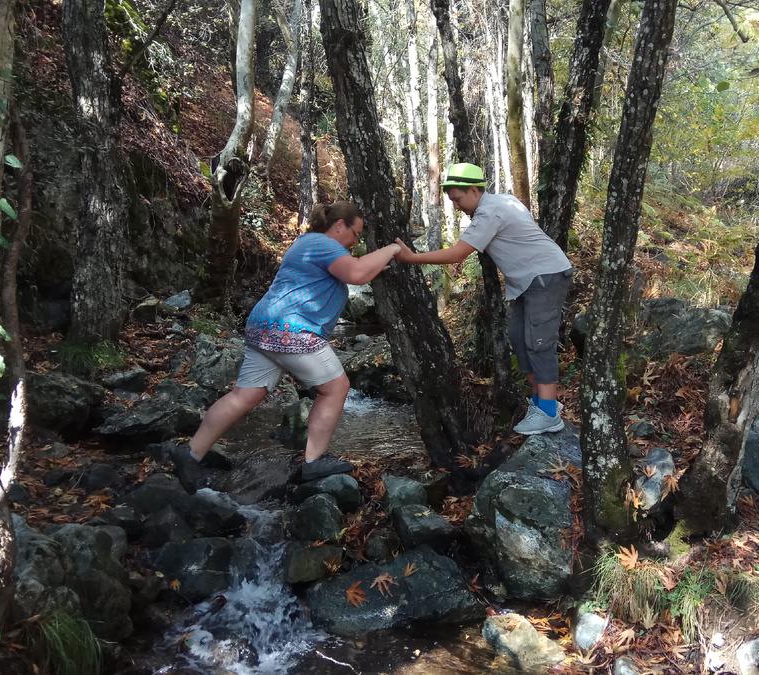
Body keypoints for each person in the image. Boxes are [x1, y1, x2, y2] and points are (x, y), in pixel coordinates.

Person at [171, 201, 402, 494]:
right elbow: (357, 274)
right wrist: (393, 249)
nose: (357, 241)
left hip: (263, 326)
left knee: (245, 395)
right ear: (339, 226)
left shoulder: (308, 243)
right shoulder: (322, 243)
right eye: (356, 233)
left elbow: (360, 272)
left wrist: (379, 262)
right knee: (336, 388)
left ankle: (191, 453)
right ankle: (313, 462)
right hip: (291, 330)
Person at [393, 163, 573, 436]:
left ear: (474, 190)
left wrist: (411, 258)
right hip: (529, 280)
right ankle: (540, 403)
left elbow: (457, 254)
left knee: (538, 343)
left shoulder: (490, 211)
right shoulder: (503, 202)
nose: (455, 205)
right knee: (519, 339)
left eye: (457, 198)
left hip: (544, 275)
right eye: (452, 200)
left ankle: (548, 412)